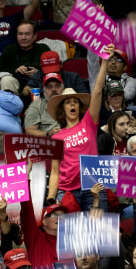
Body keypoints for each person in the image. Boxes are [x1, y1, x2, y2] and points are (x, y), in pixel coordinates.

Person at [46, 45, 111, 210]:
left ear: (80, 107)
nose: (72, 104)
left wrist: (104, 63)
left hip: (93, 187)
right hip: (67, 192)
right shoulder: (56, 137)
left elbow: (97, 91)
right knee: (70, 235)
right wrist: (51, 198)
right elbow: (55, 172)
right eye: (68, 102)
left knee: (98, 231)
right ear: (63, 109)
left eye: (75, 101)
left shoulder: (88, 123)